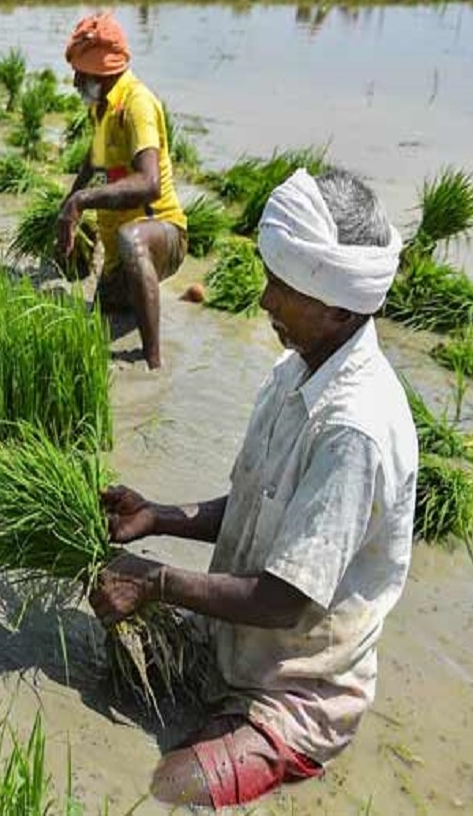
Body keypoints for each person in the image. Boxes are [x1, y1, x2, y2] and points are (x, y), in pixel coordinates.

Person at [88, 168, 417, 809]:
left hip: (297, 690)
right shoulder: (294, 369)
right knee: (107, 645)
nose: (264, 300)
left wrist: (154, 581)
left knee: (169, 791)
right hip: (232, 643)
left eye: (280, 286)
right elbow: (253, 507)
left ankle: (283, 751)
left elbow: (284, 600)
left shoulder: (355, 429)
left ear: (335, 304)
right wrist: (157, 517)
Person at [57, 12, 187, 370]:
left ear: (104, 69)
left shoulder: (137, 104)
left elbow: (149, 184)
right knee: (103, 316)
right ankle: (149, 297)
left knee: (133, 239)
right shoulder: (103, 108)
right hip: (120, 251)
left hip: (162, 232)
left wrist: (83, 201)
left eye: (81, 73)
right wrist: (68, 203)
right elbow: (95, 159)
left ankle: (153, 362)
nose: (75, 81)